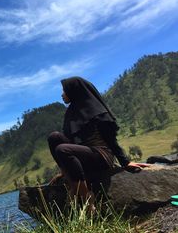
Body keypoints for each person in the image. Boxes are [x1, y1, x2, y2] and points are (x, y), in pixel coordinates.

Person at [48, 76, 149, 211]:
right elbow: (70, 141)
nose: (62, 94)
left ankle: (87, 198)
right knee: (54, 137)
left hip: (101, 155)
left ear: (74, 91)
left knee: (62, 149)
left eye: (65, 91)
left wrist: (125, 162)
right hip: (84, 156)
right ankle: (69, 178)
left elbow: (111, 140)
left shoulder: (95, 111)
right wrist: (64, 170)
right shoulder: (72, 113)